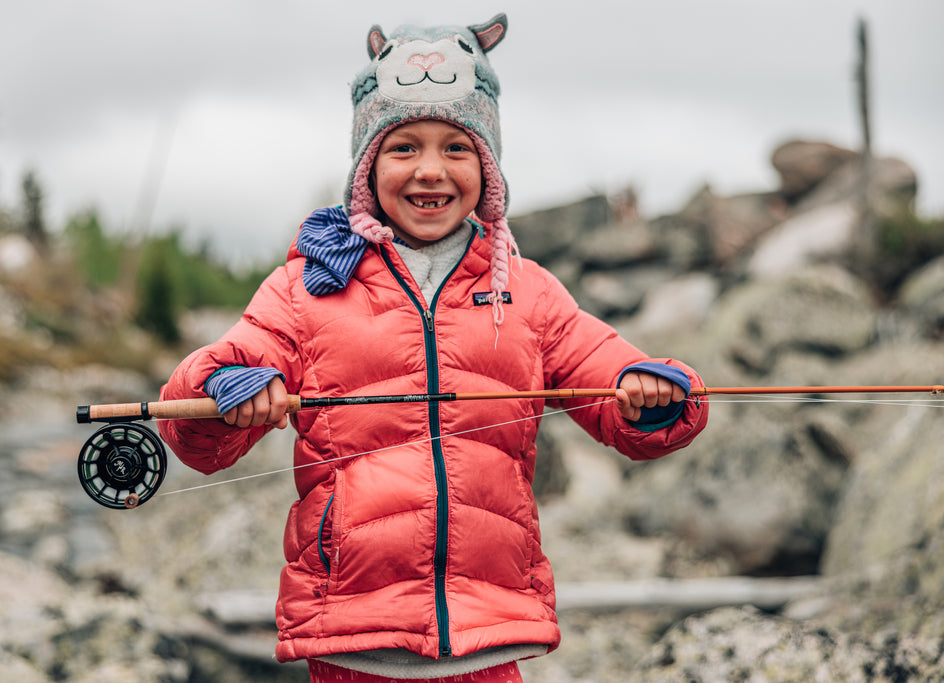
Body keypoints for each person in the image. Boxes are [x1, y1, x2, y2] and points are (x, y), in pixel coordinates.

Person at [158, 13, 708, 683]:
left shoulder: (526, 290)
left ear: (488, 166)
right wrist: (228, 391)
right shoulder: (307, 286)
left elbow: (620, 388)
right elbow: (199, 413)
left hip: (487, 630)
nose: (429, 170)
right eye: (403, 147)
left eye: (456, 147)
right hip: (353, 630)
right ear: (366, 166)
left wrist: (651, 395)